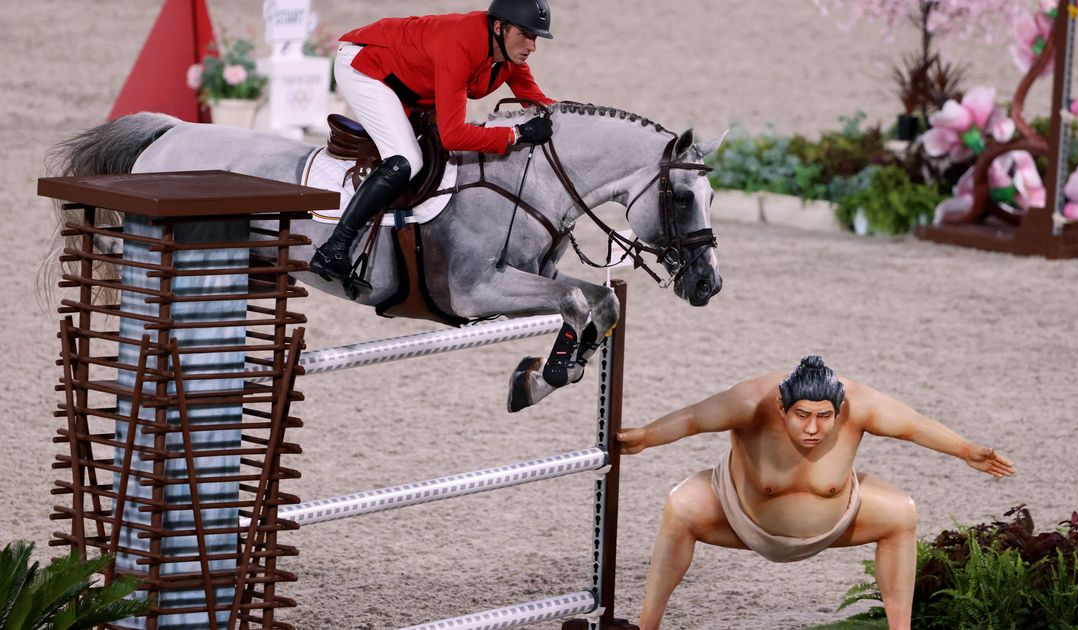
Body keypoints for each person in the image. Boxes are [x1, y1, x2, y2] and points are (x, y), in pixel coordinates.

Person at [616, 356, 1015, 630]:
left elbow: (912, 425)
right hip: (740, 519)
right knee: (682, 504)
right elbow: (693, 418)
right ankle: (647, 625)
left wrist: (965, 450)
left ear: (839, 409)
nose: (813, 429)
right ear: (781, 406)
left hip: (835, 523)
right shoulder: (749, 401)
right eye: (802, 416)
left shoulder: (859, 403)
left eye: (825, 417)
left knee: (900, 512)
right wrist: (648, 436)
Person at [310, 0, 558, 289]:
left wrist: (580, 117)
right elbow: (453, 135)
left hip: (412, 81)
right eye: (526, 35)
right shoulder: (462, 45)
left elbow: (539, 103)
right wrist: (516, 133)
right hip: (366, 67)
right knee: (407, 159)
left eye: (536, 37)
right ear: (499, 27)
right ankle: (334, 248)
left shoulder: (506, 54)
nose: (532, 46)